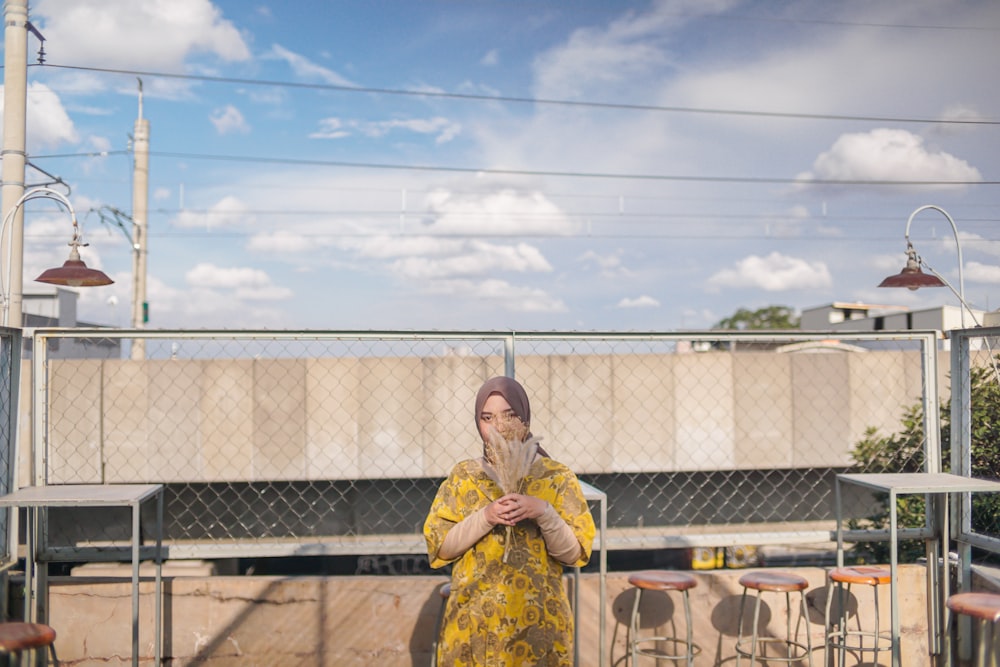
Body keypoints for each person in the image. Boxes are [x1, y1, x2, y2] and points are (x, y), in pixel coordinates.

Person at [424, 376, 596, 666]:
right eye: (487, 417)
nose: (499, 426)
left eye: (510, 415)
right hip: (474, 626)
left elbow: (574, 554)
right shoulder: (464, 477)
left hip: (537, 627)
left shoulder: (556, 477)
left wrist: (543, 511)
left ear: (525, 419)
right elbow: (441, 548)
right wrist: (487, 516)